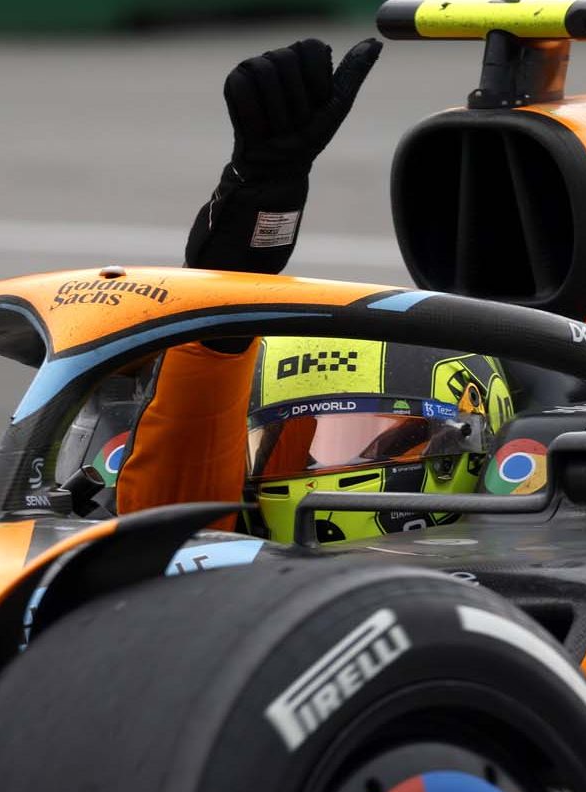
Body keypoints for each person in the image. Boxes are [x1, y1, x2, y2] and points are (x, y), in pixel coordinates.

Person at [112, 37, 512, 543]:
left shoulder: (562, 571)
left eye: (379, 441)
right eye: (284, 449)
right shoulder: (206, 577)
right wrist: (230, 289)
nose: (321, 472)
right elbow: (164, 530)